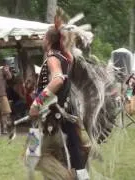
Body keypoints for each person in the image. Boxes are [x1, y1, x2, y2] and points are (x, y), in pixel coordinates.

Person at [28, 21, 89, 179]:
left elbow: (58, 80)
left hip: (50, 122)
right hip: (58, 120)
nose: (42, 40)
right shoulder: (66, 58)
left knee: (33, 156)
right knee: (59, 156)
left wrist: (37, 102)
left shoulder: (53, 57)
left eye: (43, 38)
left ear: (48, 40)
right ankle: (78, 174)